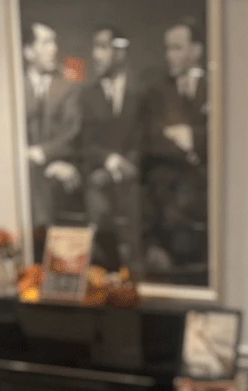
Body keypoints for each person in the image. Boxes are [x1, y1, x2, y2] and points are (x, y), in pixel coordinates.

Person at [141, 17, 209, 281]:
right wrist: (191, 152)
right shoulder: (156, 93)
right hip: (169, 192)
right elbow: (153, 141)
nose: (169, 55)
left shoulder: (216, 88)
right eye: (167, 48)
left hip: (207, 191)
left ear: (196, 50)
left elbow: (225, 136)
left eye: (177, 48)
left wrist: (190, 136)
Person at [79, 26, 143, 272]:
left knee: (135, 224)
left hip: (135, 178)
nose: (96, 55)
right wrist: (113, 164)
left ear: (120, 52)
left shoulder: (140, 92)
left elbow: (142, 138)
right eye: (95, 47)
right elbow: (85, 143)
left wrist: (128, 167)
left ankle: (136, 277)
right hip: (99, 177)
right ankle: (104, 276)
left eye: (103, 47)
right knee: (99, 215)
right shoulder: (87, 96)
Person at [21, 21, 83, 234]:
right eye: (46, 43)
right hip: (23, 168)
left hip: (61, 163)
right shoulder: (15, 87)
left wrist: (44, 154)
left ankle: (40, 237)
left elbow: (73, 133)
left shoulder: (68, 86)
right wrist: (25, 156)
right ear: (29, 52)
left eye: (54, 42)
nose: (54, 49)